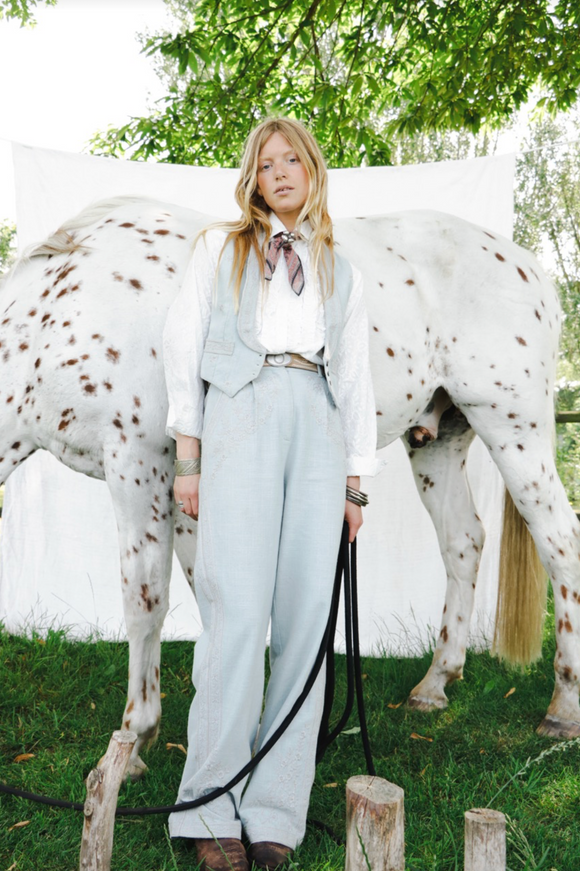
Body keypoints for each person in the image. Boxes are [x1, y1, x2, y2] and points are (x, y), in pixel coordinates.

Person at [162, 117, 382, 871]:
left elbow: (354, 374)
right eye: (266, 163)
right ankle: (209, 805)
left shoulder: (338, 267)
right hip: (241, 411)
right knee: (236, 612)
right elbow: (182, 346)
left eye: (292, 159)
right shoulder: (219, 249)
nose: (280, 172)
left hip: (316, 418)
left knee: (305, 620)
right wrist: (188, 456)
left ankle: (276, 808)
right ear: (252, 179)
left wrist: (356, 483)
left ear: (312, 170)